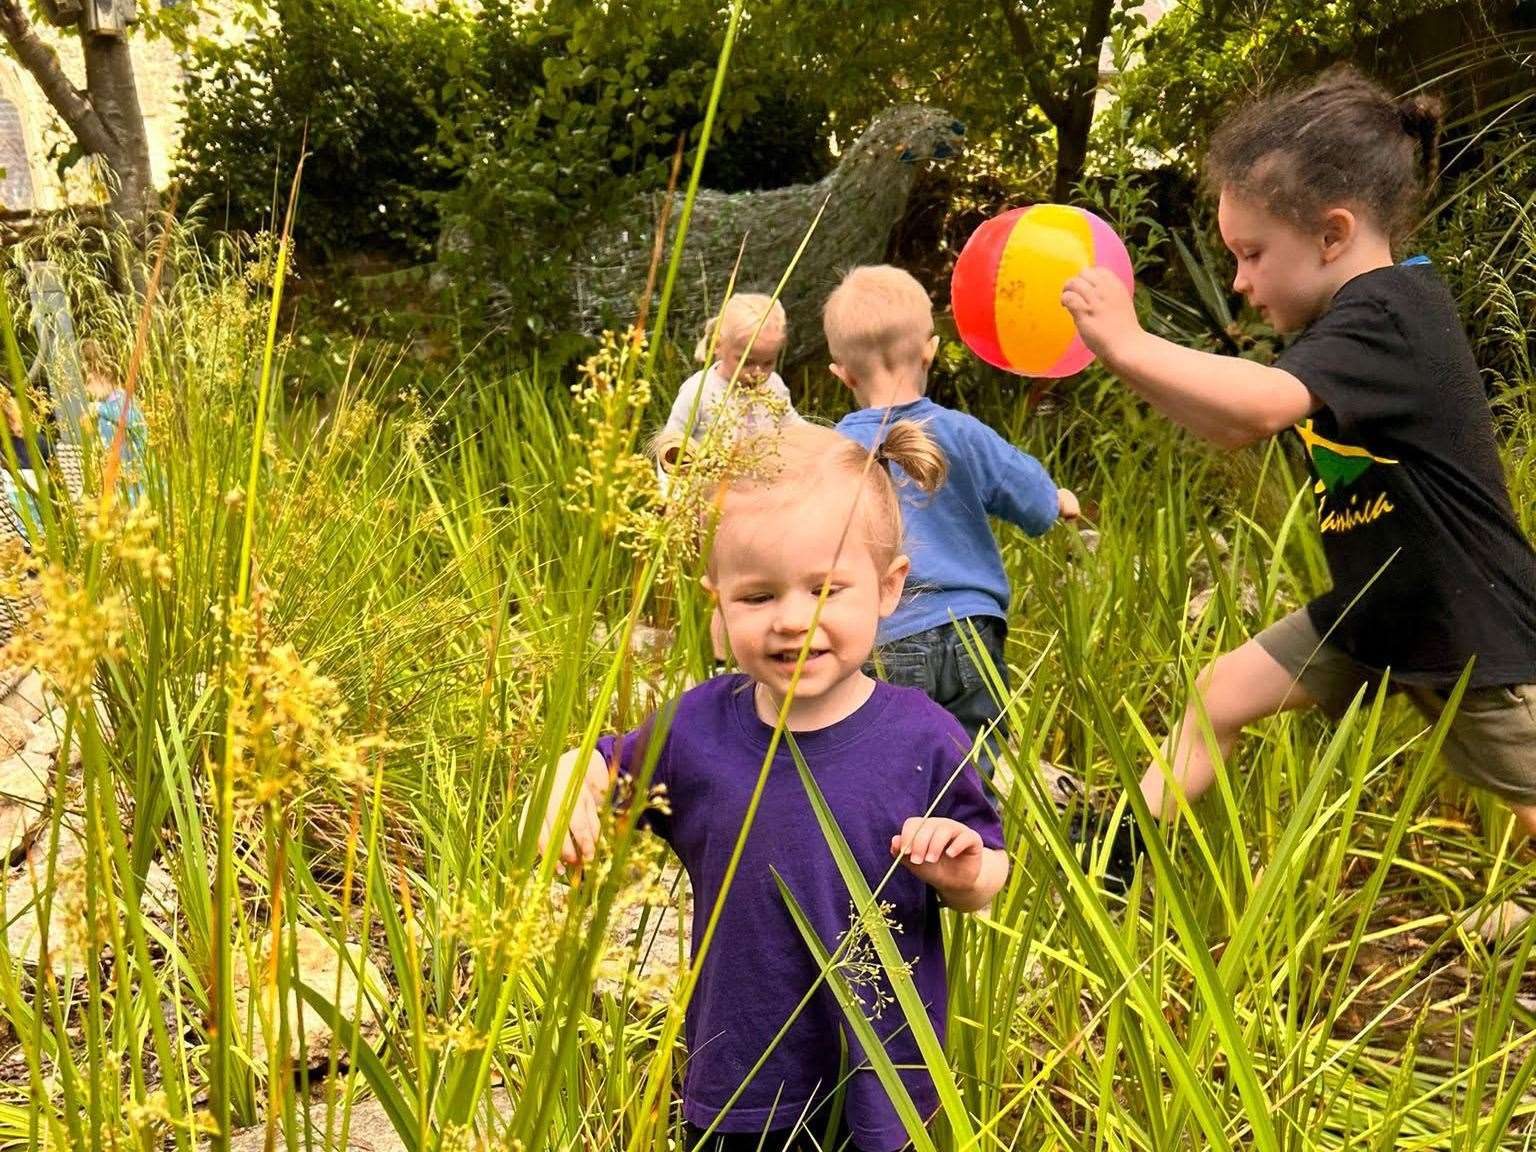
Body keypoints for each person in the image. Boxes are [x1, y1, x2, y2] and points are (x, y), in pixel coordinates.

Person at [1060, 67, 1536, 886]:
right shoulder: (1356, 320)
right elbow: (1228, 423)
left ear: (1332, 233)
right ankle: (1121, 856)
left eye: (1251, 254)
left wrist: (1129, 343)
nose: (1239, 282)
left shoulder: (1388, 310)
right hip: (1375, 609)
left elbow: (1255, 409)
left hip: (1468, 624)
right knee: (1221, 694)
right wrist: (1123, 355)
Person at [539, 420, 1009, 1152]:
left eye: (826, 589)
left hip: (882, 1072)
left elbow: (985, 873)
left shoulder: (923, 738)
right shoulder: (698, 730)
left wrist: (962, 871)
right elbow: (601, 763)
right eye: (758, 597)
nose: (795, 619)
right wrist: (572, 783)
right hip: (741, 1075)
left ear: (889, 589)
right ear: (718, 608)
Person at [826, 265, 1078, 756]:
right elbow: (1032, 500)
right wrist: (1058, 500)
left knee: (893, 762)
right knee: (973, 761)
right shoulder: (960, 432)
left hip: (885, 635)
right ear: (930, 350)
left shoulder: (833, 451)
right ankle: (970, 831)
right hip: (972, 631)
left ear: (843, 374)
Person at [664, 293, 798, 668]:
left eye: (767, 362)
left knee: (769, 583)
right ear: (719, 346)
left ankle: (767, 654)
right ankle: (725, 665)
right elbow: (672, 444)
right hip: (717, 513)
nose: (757, 373)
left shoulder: (774, 388)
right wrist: (673, 498)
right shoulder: (700, 392)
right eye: (746, 361)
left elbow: (792, 429)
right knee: (727, 590)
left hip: (768, 508)